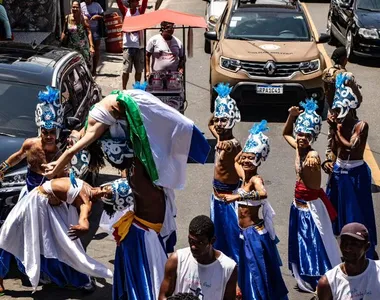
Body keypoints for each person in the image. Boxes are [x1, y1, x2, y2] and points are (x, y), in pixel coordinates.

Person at [42, 88, 210, 299]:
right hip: (142, 233)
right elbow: (82, 141)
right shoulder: (140, 173)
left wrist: (60, 162)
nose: (115, 164)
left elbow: (76, 149)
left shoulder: (137, 171)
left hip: (143, 234)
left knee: (143, 285)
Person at [0, 177, 113, 293]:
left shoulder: (85, 202)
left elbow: (84, 219)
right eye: (105, 188)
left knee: (19, 238)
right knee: (9, 235)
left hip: (40, 207)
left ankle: (74, 279)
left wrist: (83, 227)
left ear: (104, 200)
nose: (103, 191)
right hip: (38, 201)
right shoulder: (87, 185)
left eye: (106, 195)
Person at [221, 121, 288, 300]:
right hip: (244, 233)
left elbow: (263, 194)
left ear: (258, 159)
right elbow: (236, 161)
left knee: (257, 273)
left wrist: (238, 197)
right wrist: (247, 147)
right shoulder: (244, 177)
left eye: (252, 158)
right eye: (246, 158)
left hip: (254, 234)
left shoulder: (256, 180)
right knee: (247, 270)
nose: (246, 161)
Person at [283, 99, 341, 293]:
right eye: (300, 133)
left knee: (313, 244)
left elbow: (315, 179)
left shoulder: (311, 155)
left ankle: (320, 280)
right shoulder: (298, 148)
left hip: (310, 208)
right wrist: (291, 116)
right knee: (301, 243)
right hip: (297, 205)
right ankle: (306, 276)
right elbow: (285, 133)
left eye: (306, 135)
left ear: (313, 136)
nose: (301, 138)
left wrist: (315, 157)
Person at [325, 72, 377, 259]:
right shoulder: (338, 125)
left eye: (340, 110)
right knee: (334, 211)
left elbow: (351, 146)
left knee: (356, 211)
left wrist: (336, 130)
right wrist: (328, 162)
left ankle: (361, 246)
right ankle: (337, 246)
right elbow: (334, 147)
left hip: (355, 173)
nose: (337, 114)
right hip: (339, 171)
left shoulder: (361, 126)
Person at [0, 86, 65, 197]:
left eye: (52, 133)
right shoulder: (30, 144)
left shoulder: (60, 156)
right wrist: (3, 168)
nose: (49, 136)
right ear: (40, 132)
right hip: (29, 194)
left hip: (49, 199)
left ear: (57, 133)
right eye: (46, 132)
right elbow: (18, 157)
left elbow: (62, 181)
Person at [158, 215, 237, 300]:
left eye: (200, 242)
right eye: (191, 241)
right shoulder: (176, 260)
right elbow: (163, 296)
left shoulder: (228, 268)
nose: (193, 247)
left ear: (212, 241)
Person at [208, 83, 241, 264]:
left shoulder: (231, 145)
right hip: (216, 197)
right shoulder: (221, 139)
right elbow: (210, 123)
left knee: (232, 240)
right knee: (219, 238)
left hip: (228, 199)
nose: (219, 124)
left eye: (224, 120)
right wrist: (221, 102)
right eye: (218, 119)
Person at [322, 47, 362, 172]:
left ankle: (329, 163)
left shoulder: (327, 72)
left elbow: (326, 91)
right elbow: (358, 100)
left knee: (331, 139)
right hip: (346, 113)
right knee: (345, 140)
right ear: (345, 59)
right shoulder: (347, 76)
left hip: (332, 111)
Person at [317, 222, 380, 300]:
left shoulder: (378, 270)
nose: (347, 248)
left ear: (366, 247)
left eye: (354, 244)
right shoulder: (328, 283)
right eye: (344, 243)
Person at [116, 0, 148, 89]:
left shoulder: (140, 11)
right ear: (130, 2)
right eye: (134, 1)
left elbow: (145, 3)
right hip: (128, 46)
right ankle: (124, 89)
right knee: (126, 70)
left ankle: (137, 89)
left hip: (139, 46)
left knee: (139, 70)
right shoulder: (126, 11)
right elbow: (119, 3)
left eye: (137, 1)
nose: (136, 3)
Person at [61, 1, 95, 69]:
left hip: (83, 48)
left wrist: (91, 46)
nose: (75, 9)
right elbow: (64, 32)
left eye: (77, 7)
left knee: (85, 66)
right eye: (73, 7)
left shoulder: (84, 19)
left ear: (80, 8)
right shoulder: (67, 18)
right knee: (72, 66)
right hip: (71, 47)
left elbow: (89, 32)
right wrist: (61, 43)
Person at [81, 0, 104, 76]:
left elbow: (103, 16)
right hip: (84, 31)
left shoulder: (97, 5)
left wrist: (98, 17)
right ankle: (86, 69)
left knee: (96, 49)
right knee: (84, 50)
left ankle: (94, 70)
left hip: (95, 31)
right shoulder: (81, 6)